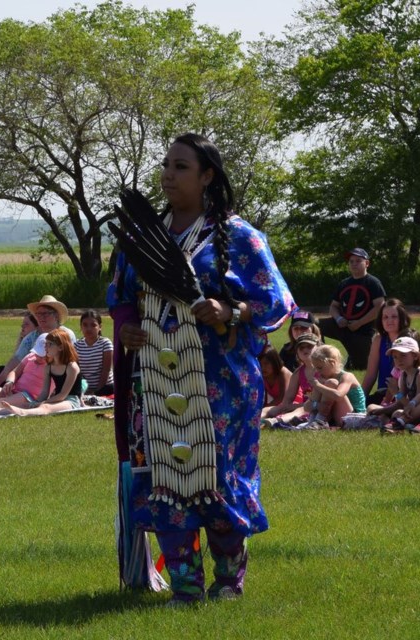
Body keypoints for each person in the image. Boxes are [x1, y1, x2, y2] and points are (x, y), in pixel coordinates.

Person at [108, 133, 294, 604]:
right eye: (166, 165)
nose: (169, 174)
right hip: (154, 375)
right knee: (167, 478)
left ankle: (229, 581)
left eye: (182, 166)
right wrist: (127, 325)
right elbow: (121, 297)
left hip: (221, 382)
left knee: (217, 477)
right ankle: (186, 586)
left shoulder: (239, 236)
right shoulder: (144, 236)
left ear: (207, 176)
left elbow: (275, 301)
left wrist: (230, 312)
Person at [0, 328, 84, 416]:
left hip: (70, 401)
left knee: (45, 408)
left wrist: (42, 403)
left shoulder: (71, 367)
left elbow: (64, 394)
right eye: (46, 344)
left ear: (60, 348)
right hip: (53, 399)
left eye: (50, 344)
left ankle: (20, 412)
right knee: (32, 406)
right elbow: (44, 392)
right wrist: (37, 402)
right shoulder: (49, 367)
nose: (46, 348)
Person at [317, 248, 386, 369]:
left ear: (367, 263)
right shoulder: (344, 283)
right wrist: (338, 319)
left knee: (361, 367)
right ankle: (320, 358)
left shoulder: (373, 282)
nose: (354, 264)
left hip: (363, 332)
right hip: (342, 326)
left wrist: (359, 323)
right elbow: (333, 306)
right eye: (351, 261)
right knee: (314, 324)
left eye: (358, 261)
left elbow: (379, 307)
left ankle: (352, 358)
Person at [0, 295, 75, 387]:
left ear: (56, 315)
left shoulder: (66, 335)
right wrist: (0, 379)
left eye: (45, 314)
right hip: (31, 381)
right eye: (38, 314)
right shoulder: (31, 337)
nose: (40, 317)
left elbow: (71, 362)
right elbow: (16, 359)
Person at [369, 337, 420, 433]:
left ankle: (398, 426)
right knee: (372, 407)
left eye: (403, 355)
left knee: (397, 413)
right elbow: (400, 403)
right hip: (409, 411)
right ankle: (399, 425)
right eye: (395, 357)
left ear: (415, 356)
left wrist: (396, 392)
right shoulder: (403, 375)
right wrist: (381, 411)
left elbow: (418, 407)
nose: (399, 360)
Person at [360, 298, 411, 402]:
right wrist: (360, 400)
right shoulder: (379, 340)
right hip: (383, 394)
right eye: (385, 317)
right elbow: (370, 375)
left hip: (405, 395)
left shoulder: (411, 339)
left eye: (394, 316)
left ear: (402, 318)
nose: (389, 320)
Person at [261, 334, 317, 427]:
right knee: (268, 409)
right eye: (301, 348)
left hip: (317, 406)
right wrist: (284, 407)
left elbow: (320, 400)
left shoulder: (322, 369)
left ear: (318, 348)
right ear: (297, 352)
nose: (305, 350)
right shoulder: (298, 372)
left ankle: (275, 421)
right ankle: (253, 421)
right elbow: (286, 400)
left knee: (301, 410)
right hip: (301, 405)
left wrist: (290, 406)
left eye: (309, 346)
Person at [306, 344, 366, 428]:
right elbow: (306, 407)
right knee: (324, 384)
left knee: (331, 383)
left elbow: (338, 395)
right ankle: (312, 421)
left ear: (332, 363)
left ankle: (319, 420)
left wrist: (318, 385)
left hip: (354, 418)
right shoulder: (322, 378)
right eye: (315, 368)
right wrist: (317, 405)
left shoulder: (347, 376)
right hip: (338, 416)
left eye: (320, 368)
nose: (317, 371)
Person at [74, 310, 114, 396]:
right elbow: (77, 371)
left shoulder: (105, 343)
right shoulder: (77, 345)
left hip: (105, 387)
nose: (89, 329)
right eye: (85, 325)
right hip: (85, 387)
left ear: (100, 327)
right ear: (81, 327)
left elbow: (105, 370)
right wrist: (85, 389)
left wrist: (96, 391)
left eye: (93, 325)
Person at [0, 312, 39, 378]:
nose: (22, 326)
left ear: (36, 327)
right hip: (19, 371)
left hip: (28, 374)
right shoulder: (24, 340)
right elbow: (15, 359)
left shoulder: (37, 341)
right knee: (1, 369)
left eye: (26, 324)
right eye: (22, 324)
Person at [258, 345, 295, 419]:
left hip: (292, 401)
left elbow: (283, 396)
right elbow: (263, 395)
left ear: (274, 362)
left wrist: (266, 407)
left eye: (266, 363)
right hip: (280, 403)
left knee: (268, 411)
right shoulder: (263, 374)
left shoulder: (282, 373)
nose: (263, 367)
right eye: (260, 364)